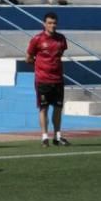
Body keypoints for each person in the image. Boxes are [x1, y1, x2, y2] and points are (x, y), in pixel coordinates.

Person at [25, 12, 70, 148]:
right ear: (44, 24)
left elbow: (59, 54)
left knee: (58, 108)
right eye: (49, 23)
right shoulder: (37, 39)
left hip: (58, 79)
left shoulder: (61, 39)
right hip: (43, 79)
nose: (52, 25)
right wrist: (40, 66)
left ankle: (57, 136)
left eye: (54, 23)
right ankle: (44, 137)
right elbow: (28, 57)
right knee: (43, 108)